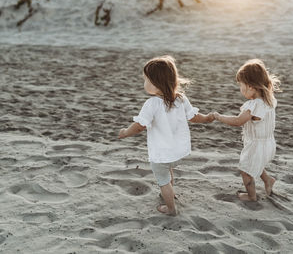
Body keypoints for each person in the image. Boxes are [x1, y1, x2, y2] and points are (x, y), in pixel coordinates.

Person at [118, 55, 214, 215]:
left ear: (156, 83)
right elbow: (194, 117)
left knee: (162, 180)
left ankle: (170, 208)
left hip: (162, 152)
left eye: (146, 80)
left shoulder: (152, 104)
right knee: (168, 170)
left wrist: (125, 132)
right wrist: (208, 118)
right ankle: (171, 193)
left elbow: (140, 126)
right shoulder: (180, 98)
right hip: (178, 151)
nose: (144, 83)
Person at [213, 59, 281, 201]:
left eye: (240, 85)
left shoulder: (253, 105)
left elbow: (238, 121)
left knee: (245, 170)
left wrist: (219, 117)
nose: (240, 89)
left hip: (256, 145)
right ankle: (268, 180)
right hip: (268, 144)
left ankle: (251, 196)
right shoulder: (269, 100)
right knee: (256, 163)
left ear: (250, 86)